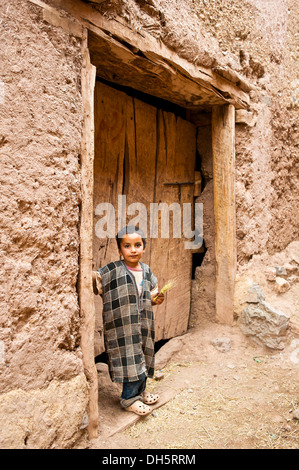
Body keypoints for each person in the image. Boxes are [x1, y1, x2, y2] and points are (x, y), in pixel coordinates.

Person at [92, 225, 164, 416]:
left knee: (143, 357)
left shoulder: (147, 271)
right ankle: (129, 399)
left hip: (143, 324)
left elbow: (151, 294)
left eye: (137, 245)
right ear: (119, 249)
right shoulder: (113, 270)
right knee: (129, 360)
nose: (133, 250)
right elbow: (94, 281)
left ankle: (140, 393)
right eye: (127, 246)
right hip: (122, 326)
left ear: (144, 247)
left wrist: (156, 299)